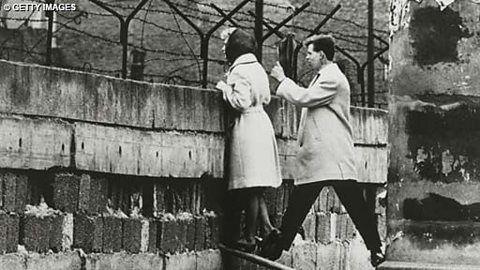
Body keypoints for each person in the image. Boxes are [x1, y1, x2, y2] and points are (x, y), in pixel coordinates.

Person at [260, 34, 385, 267]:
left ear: (323, 55)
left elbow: (304, 98)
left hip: (331, 156)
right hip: (324, 156)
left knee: (351, 204)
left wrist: (283, 80)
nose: (306, 57)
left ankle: (376, 248)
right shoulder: (324, 76)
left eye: (310, 53)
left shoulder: (333, 79)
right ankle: (276, 248)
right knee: (303, 202)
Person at [215, 28, 282, 252]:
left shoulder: (239, 72)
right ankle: (268, 227)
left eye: (226, 46)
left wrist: (224, 88)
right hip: (262, 123)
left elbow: (240, 101)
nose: (223, 50)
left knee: (250, 185)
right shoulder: (258, 69)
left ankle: (250, 237)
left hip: (247, 128)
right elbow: (266, 97)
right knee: (257, 186)